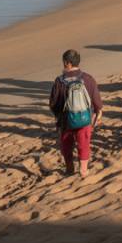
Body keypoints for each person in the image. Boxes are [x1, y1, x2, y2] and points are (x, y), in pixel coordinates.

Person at [49, 49, 104, 177]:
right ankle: (83, 170)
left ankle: (69, 169)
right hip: (85, 118)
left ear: (67, 63)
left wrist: (57, 116)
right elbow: (97, 101)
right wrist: (98, 113)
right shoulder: (88, 78)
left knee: (66, 145)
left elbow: (53, 103)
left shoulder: (59, 81)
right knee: (84, 143)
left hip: (66, 120)